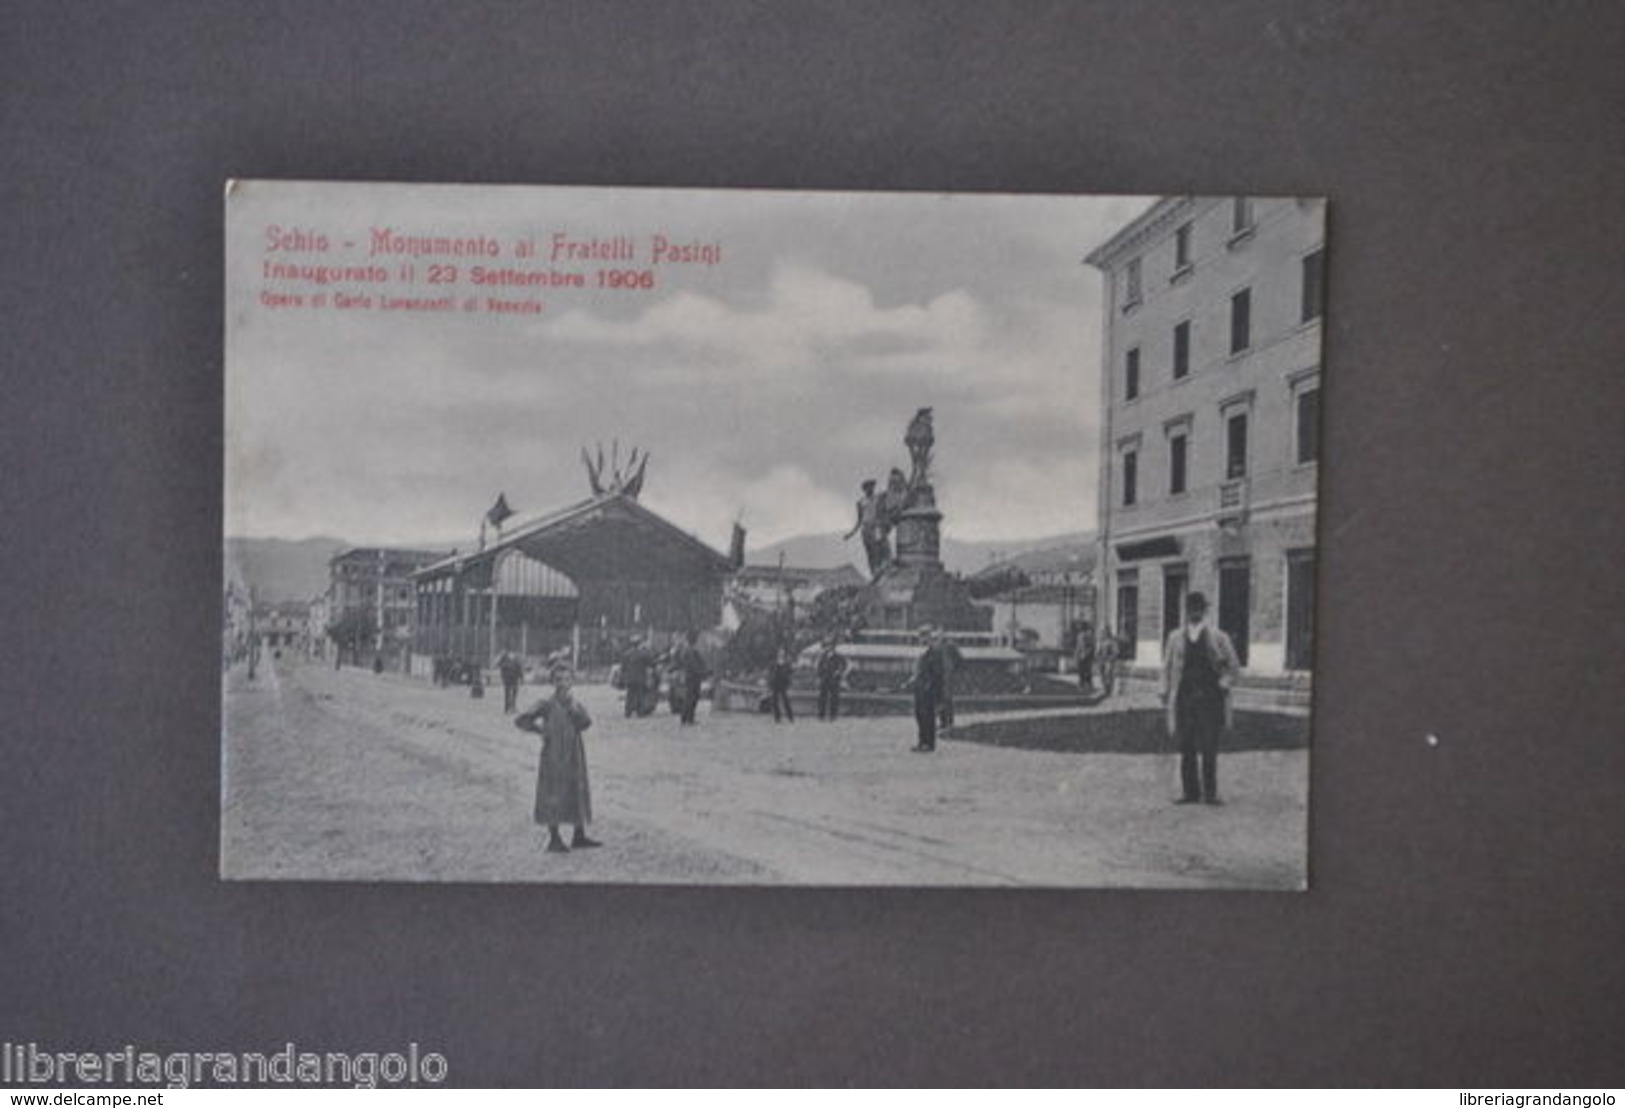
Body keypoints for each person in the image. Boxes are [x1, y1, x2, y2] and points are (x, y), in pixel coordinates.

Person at [1162, 592, 1241, 806]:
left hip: (1210, 699)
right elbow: (1167, 666)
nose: (1194, 611)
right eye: (1191, 607)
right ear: (1186, 610)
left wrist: (1224, 683)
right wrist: (1165, 691)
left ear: (1204, 610)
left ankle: (1211, 792)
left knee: (1209, 745)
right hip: (1185, 698)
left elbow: (1233, 666)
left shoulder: (1218, 637)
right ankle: (1190, 792)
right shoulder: (1175, 637)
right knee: (1186, 744)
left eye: (1199, 607)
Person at [515, 664, 601, 853]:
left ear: (572, 681)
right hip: (553, 753)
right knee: (552, 792)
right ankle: (554, 838)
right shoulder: (546, 702)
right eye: (558, 679)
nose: (563, 683)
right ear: (552, 682)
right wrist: (540, 731)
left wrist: (574, 710)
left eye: (566, 679)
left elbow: (586, 723)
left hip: (574, 752)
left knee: (577, 789)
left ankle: (579, 835)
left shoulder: (574, 702)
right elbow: (522, 719)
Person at [905, 626, 946, 752]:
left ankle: (928, 743)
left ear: (928, 636)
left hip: (928, 689)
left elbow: (937, 672)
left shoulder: (934, 652)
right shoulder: (923, 651)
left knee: (927, 716)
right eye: (920, 636)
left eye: (923, 636)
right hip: (920, 688)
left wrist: (931, 686)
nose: (921, 639)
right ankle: (922, 741)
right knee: (920, 715)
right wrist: (912, 680)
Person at [843, 479, 890, 578]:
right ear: (864, 490)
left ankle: (882, 570)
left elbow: (887, 497)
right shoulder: (861, 502)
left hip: (876, 527)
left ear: (873, 487)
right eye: (867, 487)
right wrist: (850, 534)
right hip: (866, 529)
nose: (870, 489)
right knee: (870, 553)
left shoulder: (878, 498)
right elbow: (859, 521)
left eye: (871, 487)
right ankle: (874, 573)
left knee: (880, 548)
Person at [672, 630, 708, 727]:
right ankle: (686, 718)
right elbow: (693, 665)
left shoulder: (689, 650)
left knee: (693, 697)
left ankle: (689, 718)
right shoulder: (689, 650)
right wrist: (703, 672)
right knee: (690, 698)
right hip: (692, 677)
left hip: (692, 676)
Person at [815, 637, 849, 721]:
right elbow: (819, 667)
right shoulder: (823, 656)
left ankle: (833, 716)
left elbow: (845, 665)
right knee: (822, 698)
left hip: (833, 679)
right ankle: (821, 715)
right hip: (824, 678)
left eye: (830, 646)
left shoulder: (838, 656)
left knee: (834, 698)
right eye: (827, 646)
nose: (828, 647)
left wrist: (839, 672)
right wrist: (819, 676)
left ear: (834, 647)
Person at [620, 637, 653, 718]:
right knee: (640, 695)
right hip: (640, 678)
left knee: (629, 696)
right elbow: (650, 663)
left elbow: (623, 668)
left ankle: (628, 712)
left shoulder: (626, 654)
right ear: (639, 644)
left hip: (630, 678)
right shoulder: (643, 654)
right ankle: (640, 712)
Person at [936, 632, 963, 734]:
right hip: (940, 676)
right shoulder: (938, 647)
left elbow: (959, 660)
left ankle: (948, 722)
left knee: (947, 699)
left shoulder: (951, 647)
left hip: (947, 676)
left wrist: (954, 670)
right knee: (941, 699)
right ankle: (943, 722)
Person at [766, 648, 795, 723]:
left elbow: (790, 672)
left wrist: (788, 681)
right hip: (775, 683)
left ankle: (790, 717)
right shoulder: (774, 663)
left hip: (783, 684)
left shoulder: (786, 663)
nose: (781, 654)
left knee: (786, 701)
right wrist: (770, 682)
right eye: (780, 653)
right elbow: (770, 673)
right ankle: (777, 718)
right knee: (774, 702)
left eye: (782, 653)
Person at [1074, 621, 1096, 692]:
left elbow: (1091, 646)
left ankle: (1089, 685)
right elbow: (1078, 646)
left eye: (1080, 626)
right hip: (1080, 655)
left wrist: (1086, 654)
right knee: (1081, 671)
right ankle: (1081, 684)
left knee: (1087, 671)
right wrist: (1076, 655)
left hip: (1087, 656)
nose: (1078, 627)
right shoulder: (1079, 635)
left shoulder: (1089, 635)